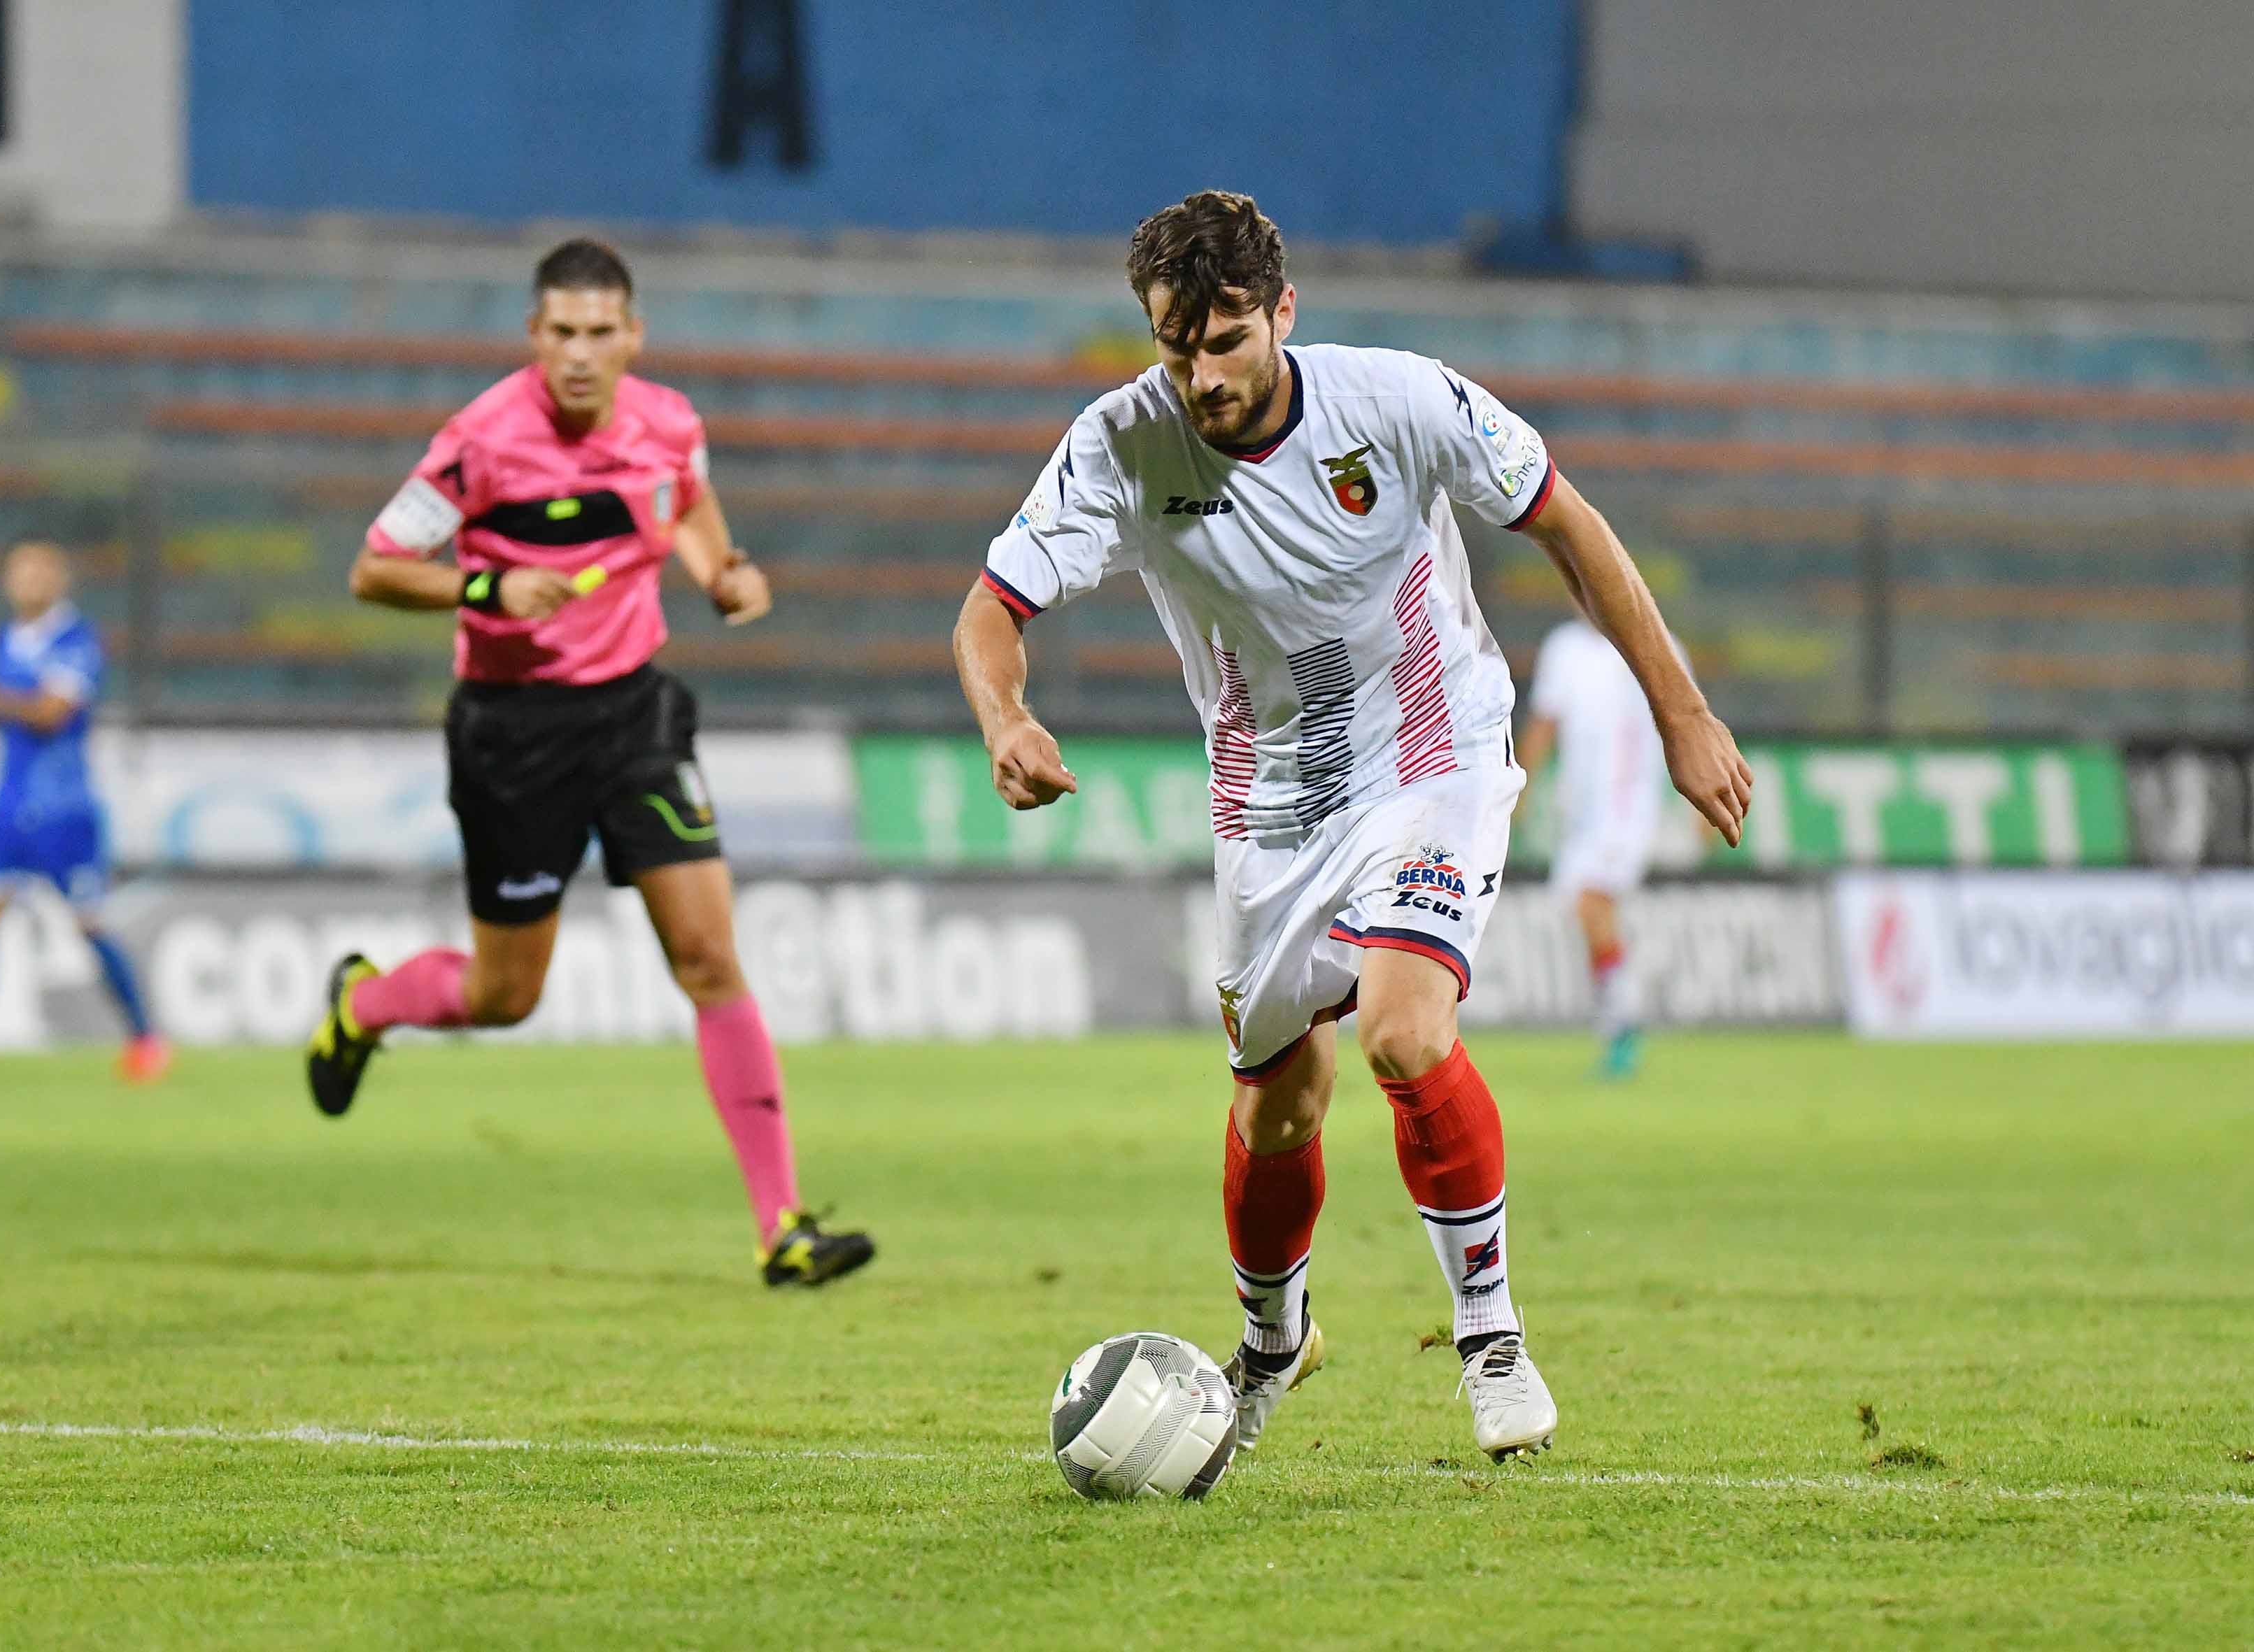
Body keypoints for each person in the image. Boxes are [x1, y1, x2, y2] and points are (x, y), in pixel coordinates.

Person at [952, 192, 1749, 1460]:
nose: (1202, 377)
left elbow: (1566, 522)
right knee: (1276, 1106)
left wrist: (1683, 715)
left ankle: (1489, 1336)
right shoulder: (1120, 445)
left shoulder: (1398, 401)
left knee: (1400, 1028)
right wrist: (1005, 719)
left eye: (1226, 341)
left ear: (1282, 312)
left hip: (1431, 754)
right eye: (1175, 347)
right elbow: (990, 610)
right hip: (1268, 804)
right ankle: (1273, 1342)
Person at [306, 237, 872, 1290]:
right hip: (511, 731)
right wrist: (486, 590)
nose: (579, 353)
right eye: (561, 332)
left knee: (708, 957)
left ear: (632, 336)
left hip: (633, 715)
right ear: (534, 335)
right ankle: (366, 1006)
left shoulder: (669, 424)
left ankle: (782, 1225)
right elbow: (374, 569)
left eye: (600, 332)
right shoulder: (478, 442)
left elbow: (687, 502)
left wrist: (724, 571)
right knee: (504, 994)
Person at [0, 542, 168, 1085]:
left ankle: (145, 1040)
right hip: (9, 801)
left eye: (41, 571)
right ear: (6, 581)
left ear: (61, 580)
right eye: (20, 571)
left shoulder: (76, 640)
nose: (30, 580)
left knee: (89, 923)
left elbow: (51, 714)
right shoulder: (4, 638)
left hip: (63, 807)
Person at [1516, 613, 1687, 1079]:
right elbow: (1544, 723)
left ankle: (1623, 1025)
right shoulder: (1563, 648)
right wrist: (1522, 788)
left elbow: (1685, 721)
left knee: (1592, 902)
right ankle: (1619, 1017)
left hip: (1628, 809)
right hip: (1581, 816)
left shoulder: (1655, 639)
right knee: (1586, 910)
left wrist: (1698, 801)